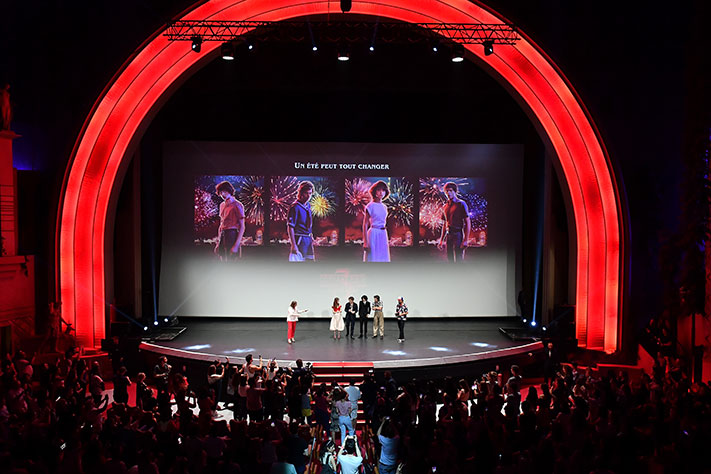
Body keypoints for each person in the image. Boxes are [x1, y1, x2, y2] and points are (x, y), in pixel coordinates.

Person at [437, 182, 471, 263]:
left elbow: (468, 222)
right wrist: (441, 240)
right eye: (446, 191)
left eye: (450, 190)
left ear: (455, 191)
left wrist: (466, 240)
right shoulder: (445, 206)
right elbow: (445, 224)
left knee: (458, 260)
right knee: (450, 259)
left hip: (458, 234)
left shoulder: (461, 204)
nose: (448, 193)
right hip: (449, 235)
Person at [214, 180, 245, 261]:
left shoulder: (237, 205)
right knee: (222, 260)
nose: (222, 194)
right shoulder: (222, 205)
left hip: (232, 234)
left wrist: (236, 245)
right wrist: (218, 243)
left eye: (224, 191)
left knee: (231, 262)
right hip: (223, 234)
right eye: (221, 192)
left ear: (229, 191)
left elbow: (242, 226)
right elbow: (221, 225)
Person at [363, 180, 391, 262]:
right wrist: (365, 242)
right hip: (373, 234)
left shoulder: (385, 207)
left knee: (383, 258)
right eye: (379, 190)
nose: (381, 192)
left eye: (383, 190)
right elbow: (365, 225)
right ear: (375, 192)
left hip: (383, 234)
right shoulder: (370, 206)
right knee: (373, 257)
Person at [287, 181, 315, 262]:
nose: (308, 196)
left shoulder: (308, 206)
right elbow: (290, 227)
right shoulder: (295, 207)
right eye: (306, 193)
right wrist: (293, 245)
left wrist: (310, 235)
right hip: (299, 238)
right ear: (301, 193)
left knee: (310, 262)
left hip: (308, 239)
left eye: (310, 193)